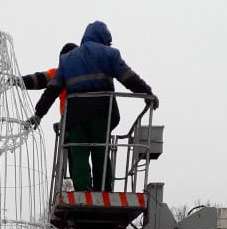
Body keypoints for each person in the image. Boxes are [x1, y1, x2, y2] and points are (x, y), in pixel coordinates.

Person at [28, 21, 159, 192]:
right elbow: (128, 78)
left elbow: (52, 90)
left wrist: (38, 114)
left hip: (75, 115)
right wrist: (147, 93)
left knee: (78, 152)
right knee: (101, 151)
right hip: (102, 112)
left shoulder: (67, 59)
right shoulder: (110, 54)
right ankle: (103, 189)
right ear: (103, 38)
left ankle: (82, 189)